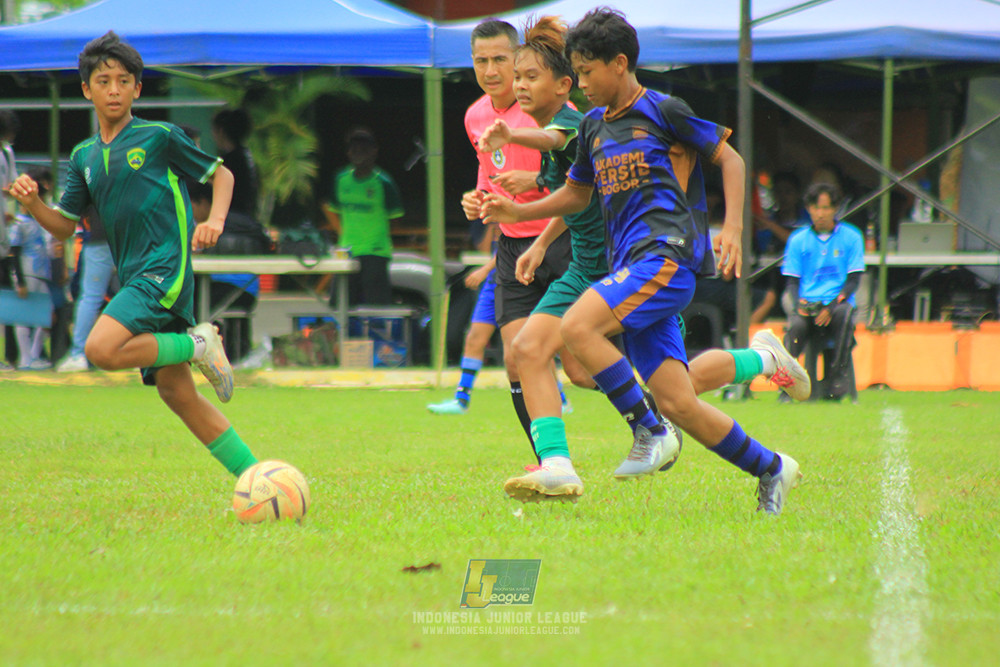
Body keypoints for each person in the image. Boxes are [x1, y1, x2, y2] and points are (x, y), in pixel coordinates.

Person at [483, 9, 802, 515]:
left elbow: (732, 159)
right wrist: (518, 212)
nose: (581, 84)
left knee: (577, 328)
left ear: (620, 63)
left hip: (667, 259)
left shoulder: (663, 110)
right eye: (578, 72)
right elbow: (574, 194)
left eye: (587, 73)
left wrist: (735, 229)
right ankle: (772, 468)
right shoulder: (591, 127)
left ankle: (649, 430)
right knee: (680, 400)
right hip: (627, 267)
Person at [7, 31, 258, 479]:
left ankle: (200, 342)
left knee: (99, 348)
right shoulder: (83, 156)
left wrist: (215, 221)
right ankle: (258, 477)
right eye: (103, 81)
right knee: (177, 394)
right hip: (136, 277)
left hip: (163, 270)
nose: (114, 89)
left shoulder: (160, 136)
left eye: (124, 80)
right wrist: (32, 205)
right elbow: (65, 226)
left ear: (138, 88)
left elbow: (222, 178)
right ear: (86, 89)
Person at [460, 18, 573, 455]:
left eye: (499, 60)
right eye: (480, 61)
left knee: (582, 368)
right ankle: (549, 460)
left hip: (562, 238)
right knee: (515, 358)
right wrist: (478, 199)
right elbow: (488, 176)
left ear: (518, 58)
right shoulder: (475, 115)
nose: (490, 71)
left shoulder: (545, 109)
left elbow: (576, 185)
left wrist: (536, 181)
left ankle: (647, 414)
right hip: (511, 246)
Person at [782, 181, 865, 400]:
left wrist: (830, 306)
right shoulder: (797, 240)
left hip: (836, 304)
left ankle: (837, 377)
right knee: (794, 328)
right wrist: (798, 303)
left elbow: (853, 280)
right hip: (808, 304)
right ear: (808, 209)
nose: (821, 213)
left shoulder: (852, 237)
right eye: (816, 208)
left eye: (826, 208)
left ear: (836, 209)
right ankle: (787, 386)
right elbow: (791, 281)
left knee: (844, 316)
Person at [188, 178, 272, 362]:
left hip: (224, 290)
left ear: (202, 202)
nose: (190, 212)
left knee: (186, 300)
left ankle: (190, 351)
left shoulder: (210, 226)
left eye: (190, 205)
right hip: (248, 290)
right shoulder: (241, 222)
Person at [323, 127, 402, 306]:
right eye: (354, 149)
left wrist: (374, 236)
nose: (358, 153)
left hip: (375, 253)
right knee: (340, 306)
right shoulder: (340, 179)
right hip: (347, 253)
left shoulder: (384, 183)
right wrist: (344, 234)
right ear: (348, 152)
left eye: (364, 149)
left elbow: (395, 219)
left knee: (376, 309)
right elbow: (331, 209)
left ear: (374, 151)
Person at [7, 167, 57, 370]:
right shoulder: (19, 224)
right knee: (23, 316)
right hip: (28, 273)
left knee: (45, 315)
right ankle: (25, 357)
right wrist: (19, 281)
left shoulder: (39, 222)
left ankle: (35, 355)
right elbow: (14, 253)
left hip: (41, 273)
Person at [56, 205, 114, 372]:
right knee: (138, 291)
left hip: (99, 236)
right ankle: (141, 351)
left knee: (90, 297)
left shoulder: (91, 177)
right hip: (131, 237)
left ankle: (78, 354)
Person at [211, 109, 258, 218]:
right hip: (247, 219)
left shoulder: (228, 162)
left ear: (221, 131)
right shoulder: (247, 157)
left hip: (233, 221)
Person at [0, 110, 20, 369]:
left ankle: (13, 354)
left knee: (7, 292)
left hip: (2, 237)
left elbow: (10, 185)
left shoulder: (6, 153)